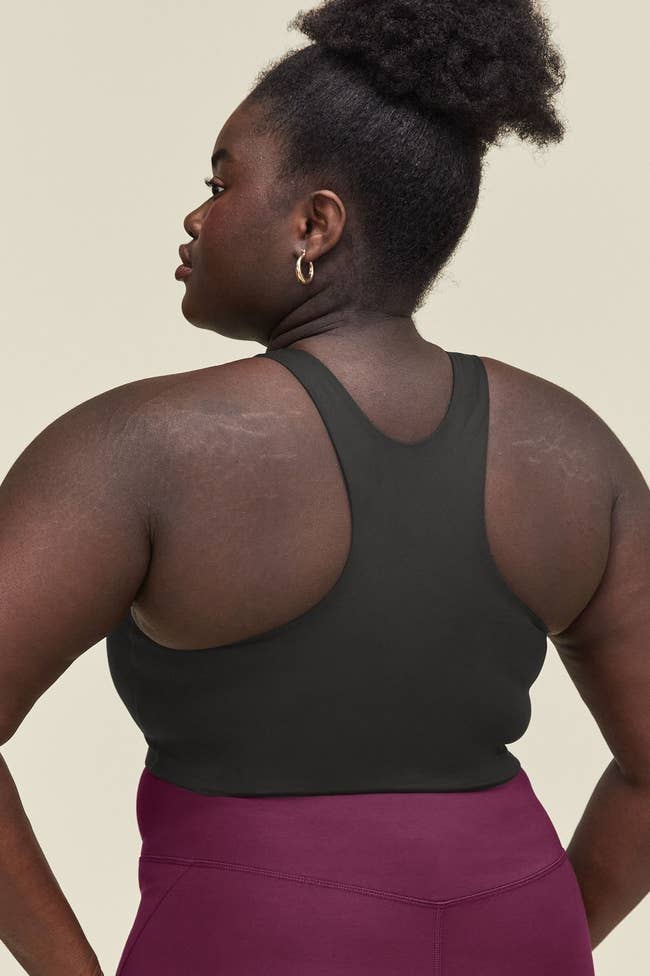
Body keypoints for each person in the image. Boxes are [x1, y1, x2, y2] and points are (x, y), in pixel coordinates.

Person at [1, 0, 648, 973]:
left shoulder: (132, 448)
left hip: (246, 939)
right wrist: (540, 934)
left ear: (315, 223)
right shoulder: (573, 448)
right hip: (518, 925)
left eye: (220, 182)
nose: (196, 215)